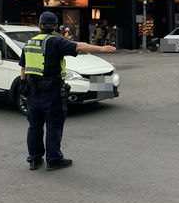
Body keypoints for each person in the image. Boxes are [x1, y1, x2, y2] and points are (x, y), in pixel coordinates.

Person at [19, 11, 116, 171]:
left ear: (39, 25)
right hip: (52, 93)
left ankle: (34, 159)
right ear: (55, 27)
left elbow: (23, 68)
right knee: (53, 126)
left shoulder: (29, 44)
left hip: (33, 92)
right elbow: (78, 46)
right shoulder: (55, 42)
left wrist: (23, 87)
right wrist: (102, 48)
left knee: (34, 126)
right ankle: (54, 159)